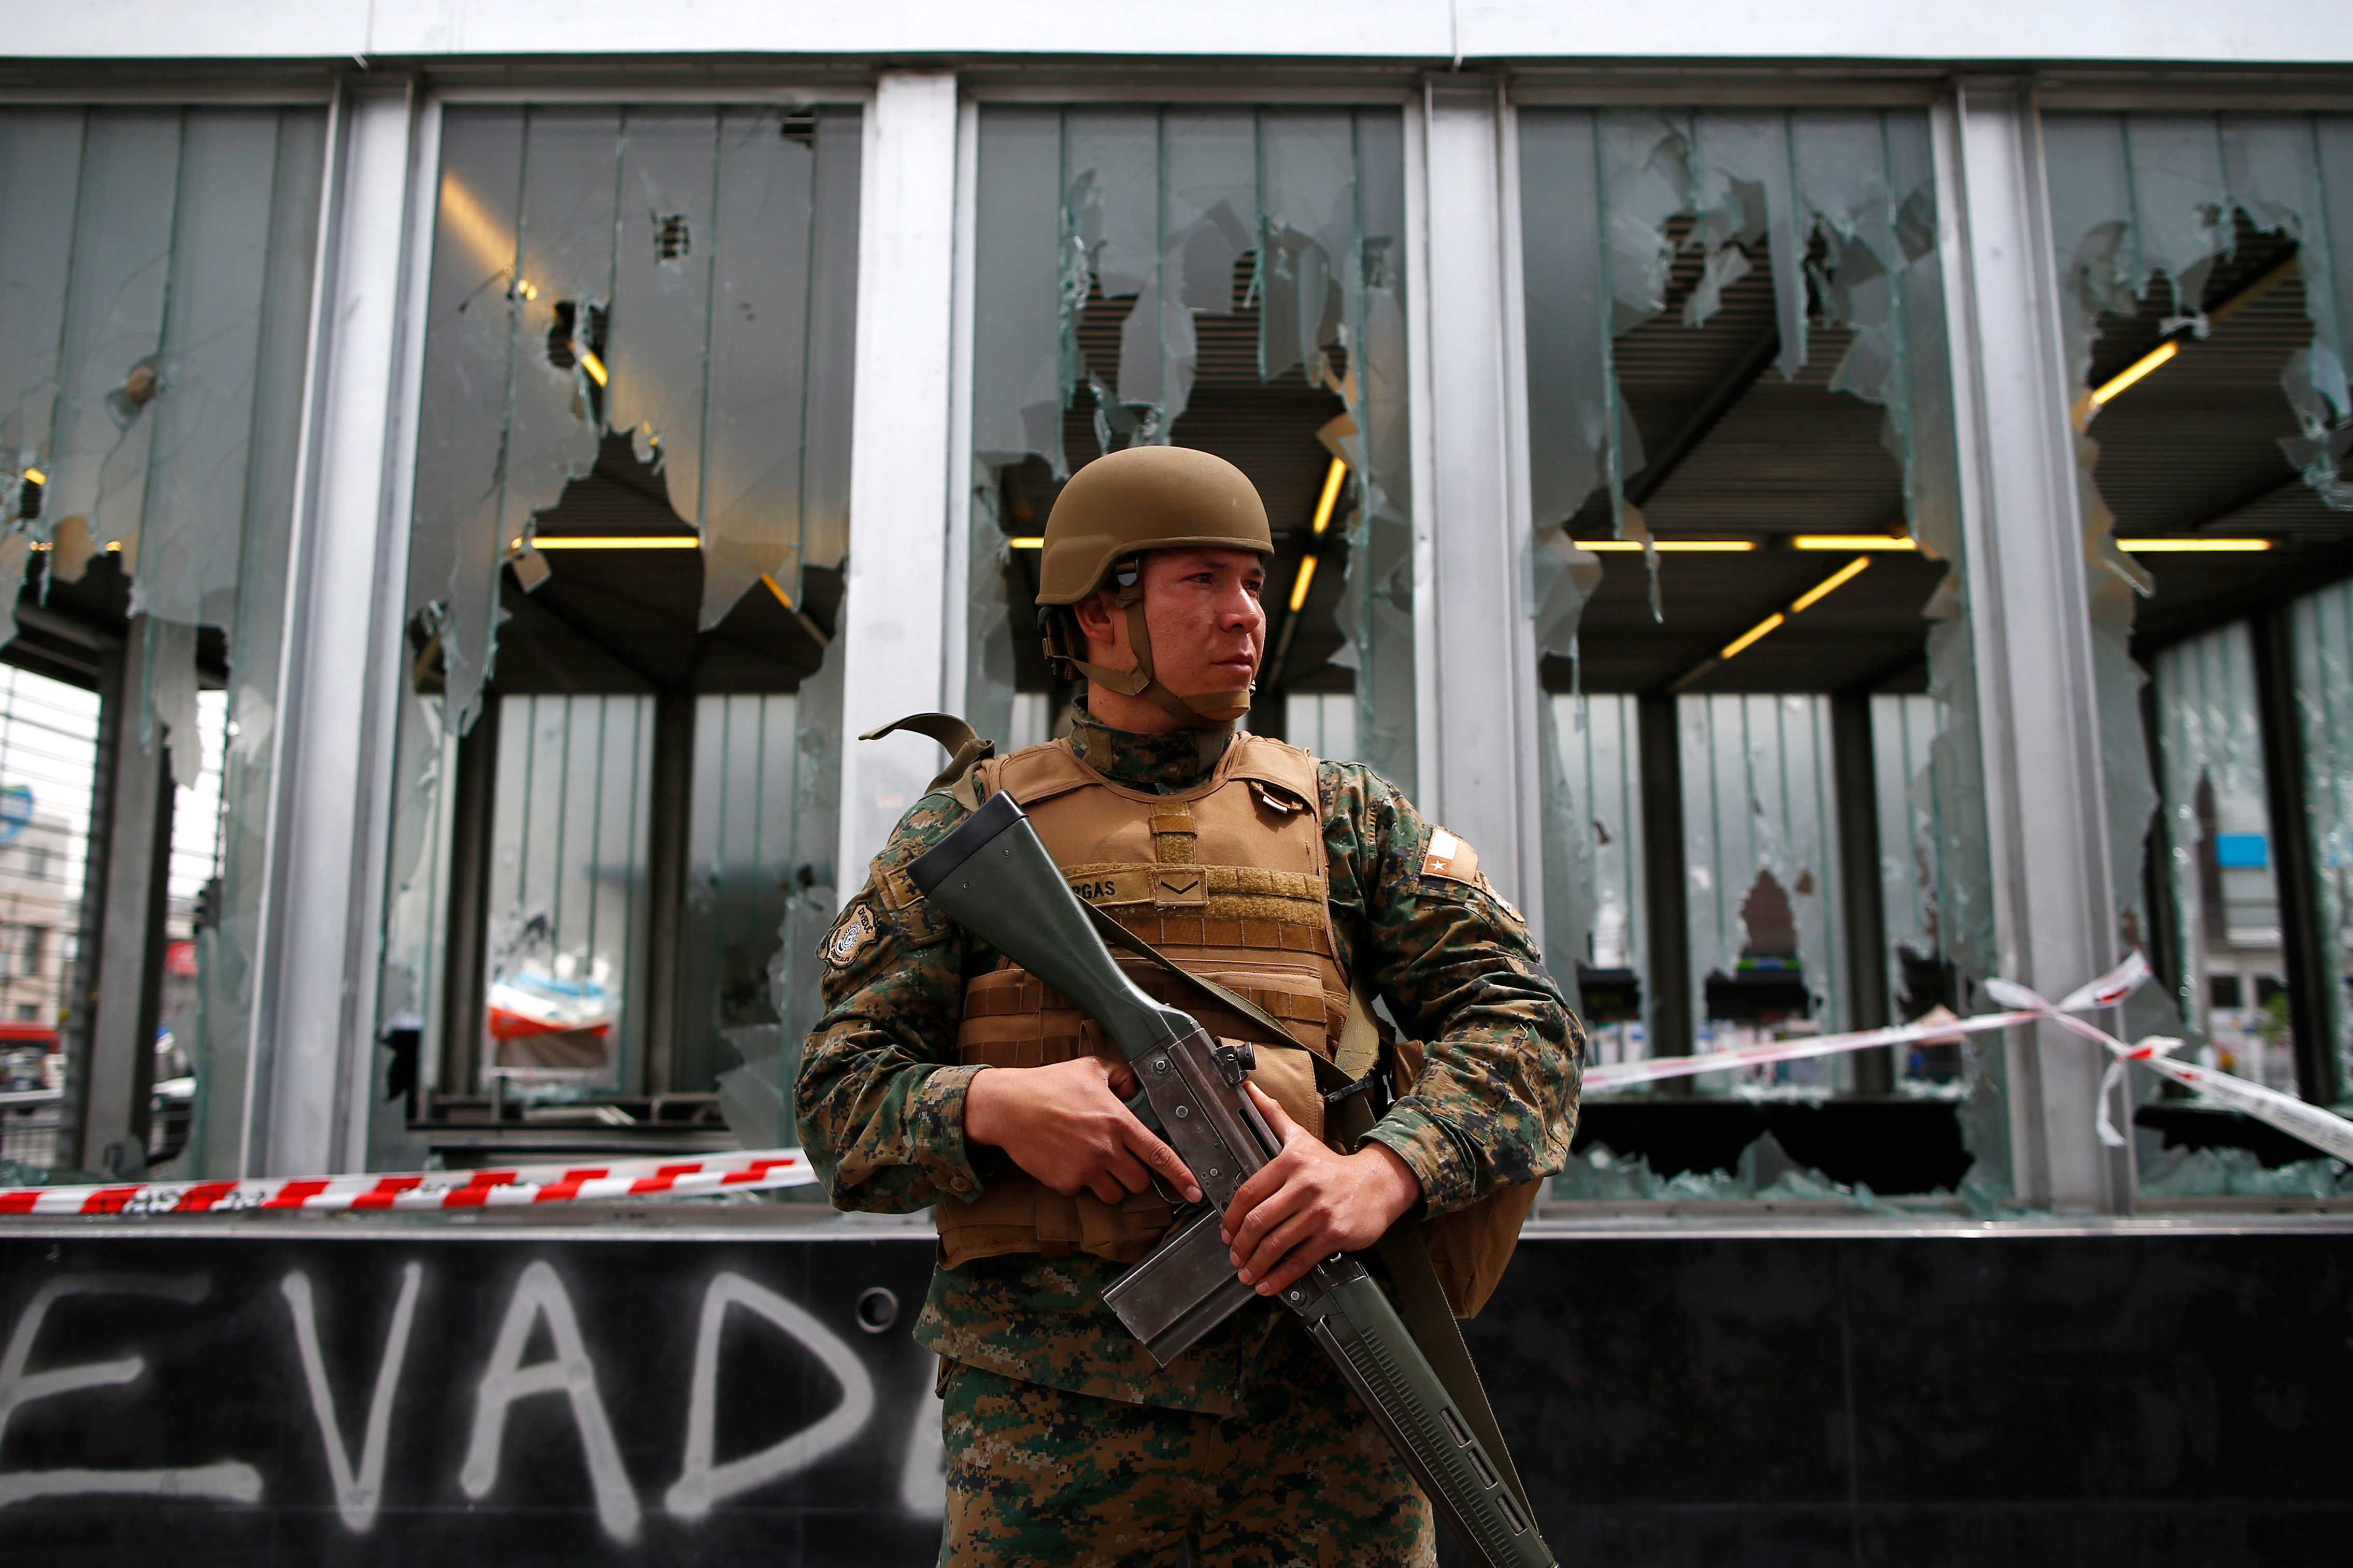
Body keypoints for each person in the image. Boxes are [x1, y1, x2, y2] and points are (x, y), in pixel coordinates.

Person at [797, 444, 1581, 1566]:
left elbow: (1529, 1024)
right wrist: (997, 1105)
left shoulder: (1346, 820)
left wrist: (1381, 1171)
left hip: (1330, 1418)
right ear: (1100, 615)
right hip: (1049, 1434)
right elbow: (836, 1099)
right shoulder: (967, 830)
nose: (1245, 614)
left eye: (1254, 582)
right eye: (1202, 580)